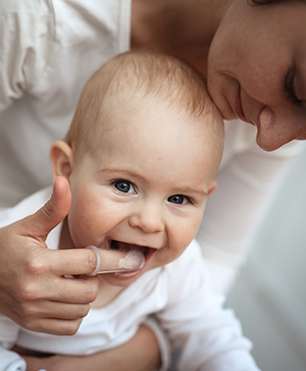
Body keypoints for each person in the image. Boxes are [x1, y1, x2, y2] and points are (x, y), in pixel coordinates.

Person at [0, 0, 305, 367]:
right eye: (124, 186)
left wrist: (150, 349)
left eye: (179, 198)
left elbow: (214, 338)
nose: (149, 222)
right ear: (65, 168)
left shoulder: (176, 266)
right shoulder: (20, 248)